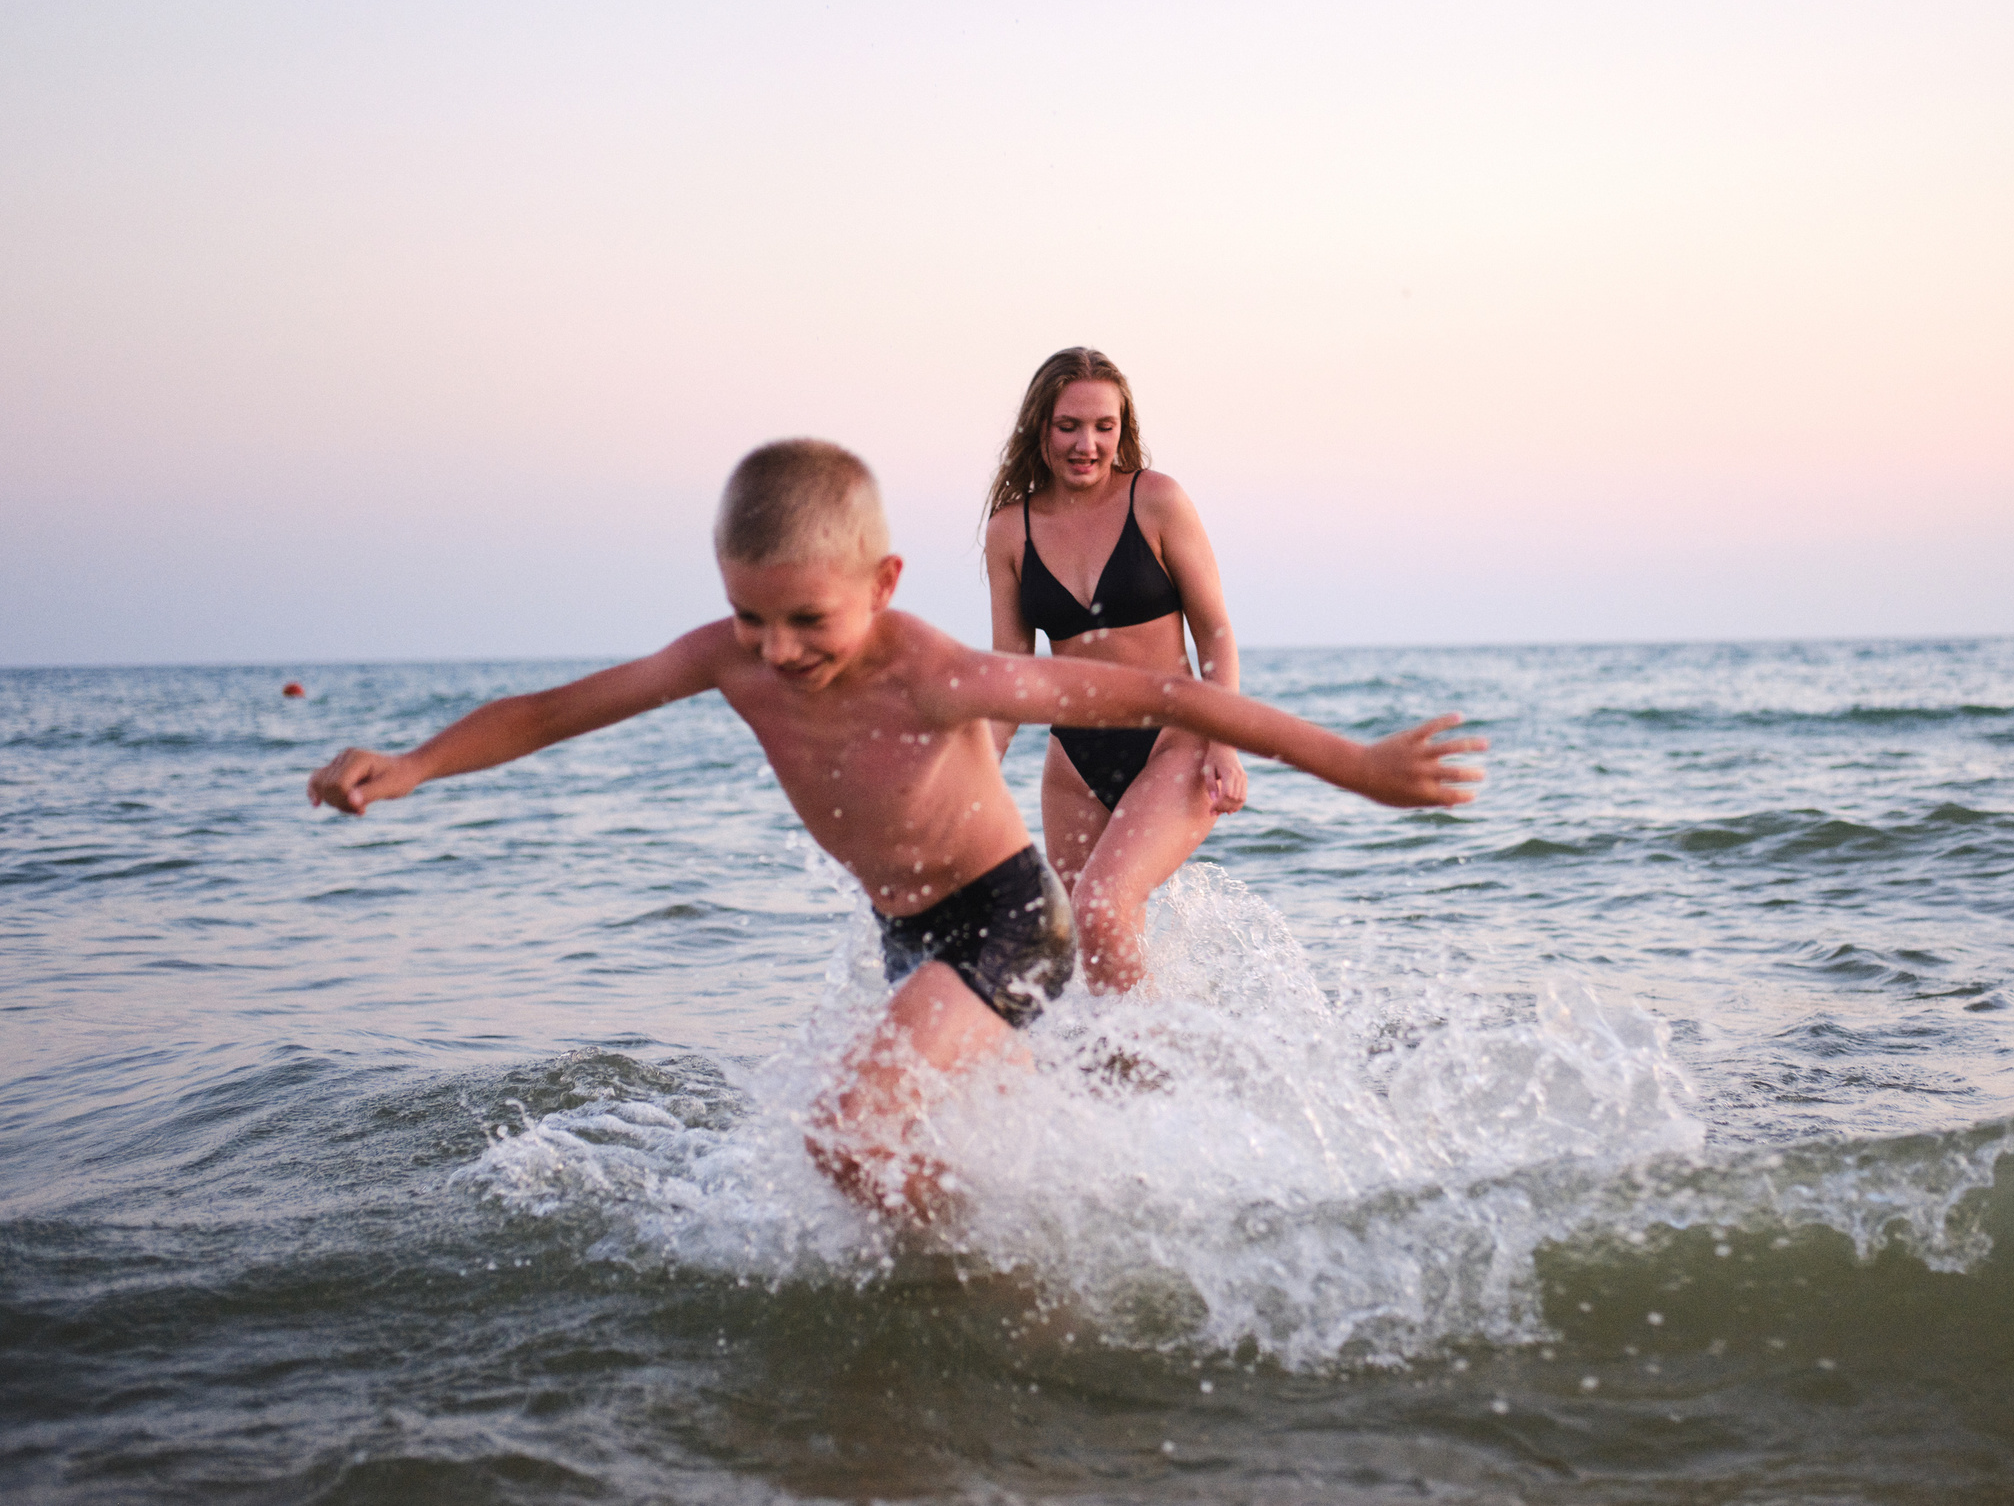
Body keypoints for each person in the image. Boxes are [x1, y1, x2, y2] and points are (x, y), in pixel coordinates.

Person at [306, 439, 1484, 1216]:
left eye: (806, 618)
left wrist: (1356, 765)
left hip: (1010, 921)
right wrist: (412, 767)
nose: (775, 651)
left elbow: (1166, 696)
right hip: (907, 935)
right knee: (913, 1149)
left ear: (882, 582)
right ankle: (1010, 1263)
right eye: (748, 615)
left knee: (848, 1133)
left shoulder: (936, 673)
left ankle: (994, 1294)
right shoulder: (731, 656)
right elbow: (560, 708)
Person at [980, 348, 1243, 992]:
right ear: (1039, 428)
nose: (1086, 444)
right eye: (1068, 425)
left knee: (1104, 907)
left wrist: (1224, 742)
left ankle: (1162, 1077)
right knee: (1085, 966)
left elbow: (1214, 630)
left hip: (1173, 741)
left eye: (1105, 426)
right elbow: (1012, 667)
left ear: (1123, 429)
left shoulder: (1156, 501)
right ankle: (1127, 1087)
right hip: (1073, 764)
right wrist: (973, 770)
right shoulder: (1010, 531)